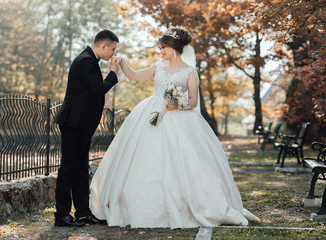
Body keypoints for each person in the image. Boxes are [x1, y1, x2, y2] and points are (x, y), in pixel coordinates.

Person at [89, 26, 259, 229]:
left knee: (184, 161)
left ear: (174, 48)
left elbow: (194, 101)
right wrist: (122, 63)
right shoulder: (158, 67)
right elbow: (134, 76)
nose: (160, 51)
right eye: (160, 48)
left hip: (179, 118)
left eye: (163, 47)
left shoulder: (189, 71)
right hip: (151, 114)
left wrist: (178, 104)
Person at [54, 29, 120, 227]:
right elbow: (98, 89)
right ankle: (62, 215)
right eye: (113, 49)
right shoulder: (85, 61)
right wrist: (113, 74)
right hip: (74, 123)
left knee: (81, 168)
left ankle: (83, 212)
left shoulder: (90, 60)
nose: (113, 54)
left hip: (81, 124)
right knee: (69, 168)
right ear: (103, 46)